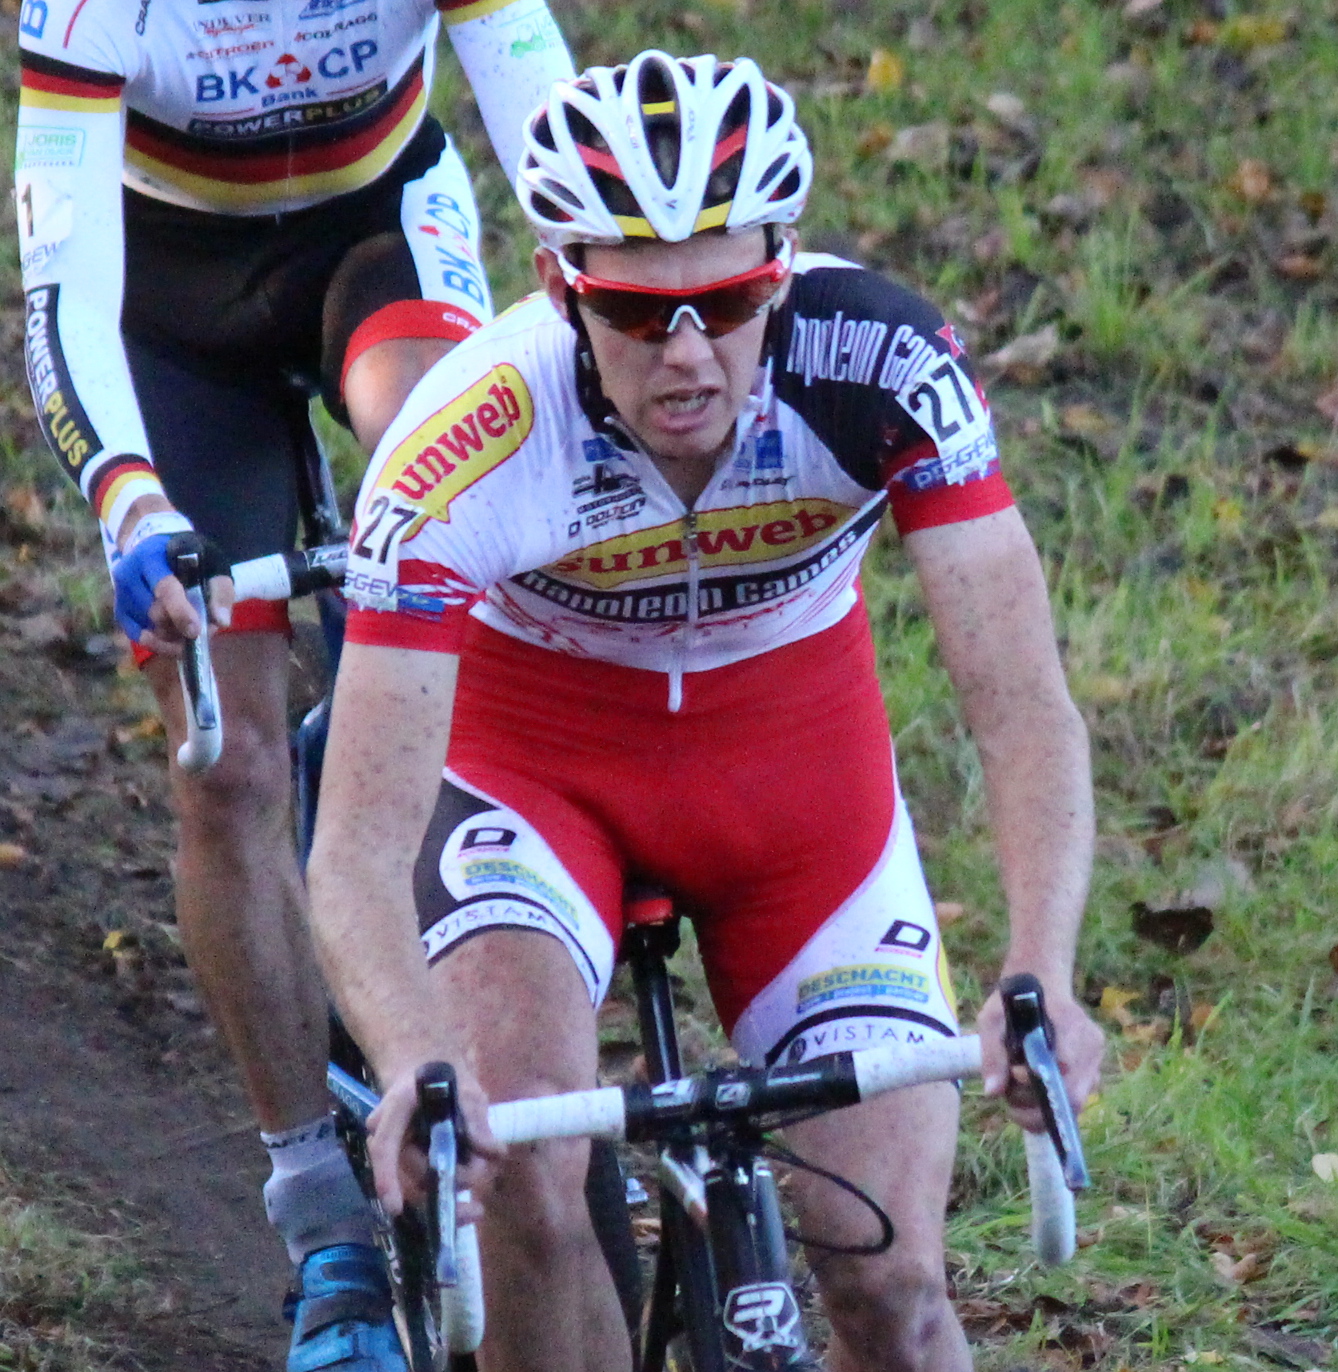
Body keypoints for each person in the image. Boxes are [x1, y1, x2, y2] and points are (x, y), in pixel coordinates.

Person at [308, 49, 1106, 1372]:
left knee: (897, 1283)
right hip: (533, 775)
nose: (686, 352)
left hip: (795, 779)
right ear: (560, 286)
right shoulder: (467, 440)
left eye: (728, 301)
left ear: (780, 271)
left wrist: (1041, 969)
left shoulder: (883, 362)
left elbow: (1024, 712)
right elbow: (356, 846)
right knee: (523, 1186)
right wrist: (414, 1058)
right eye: (635, 313)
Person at [14, 2, 575, 1368]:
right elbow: (62, 290)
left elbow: (561, 149)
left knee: (439, 488)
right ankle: (322, 1217)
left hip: (376, 244)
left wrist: (606, 309)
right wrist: (131, 497)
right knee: (228, 763)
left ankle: (459, 901)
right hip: (162, 310)